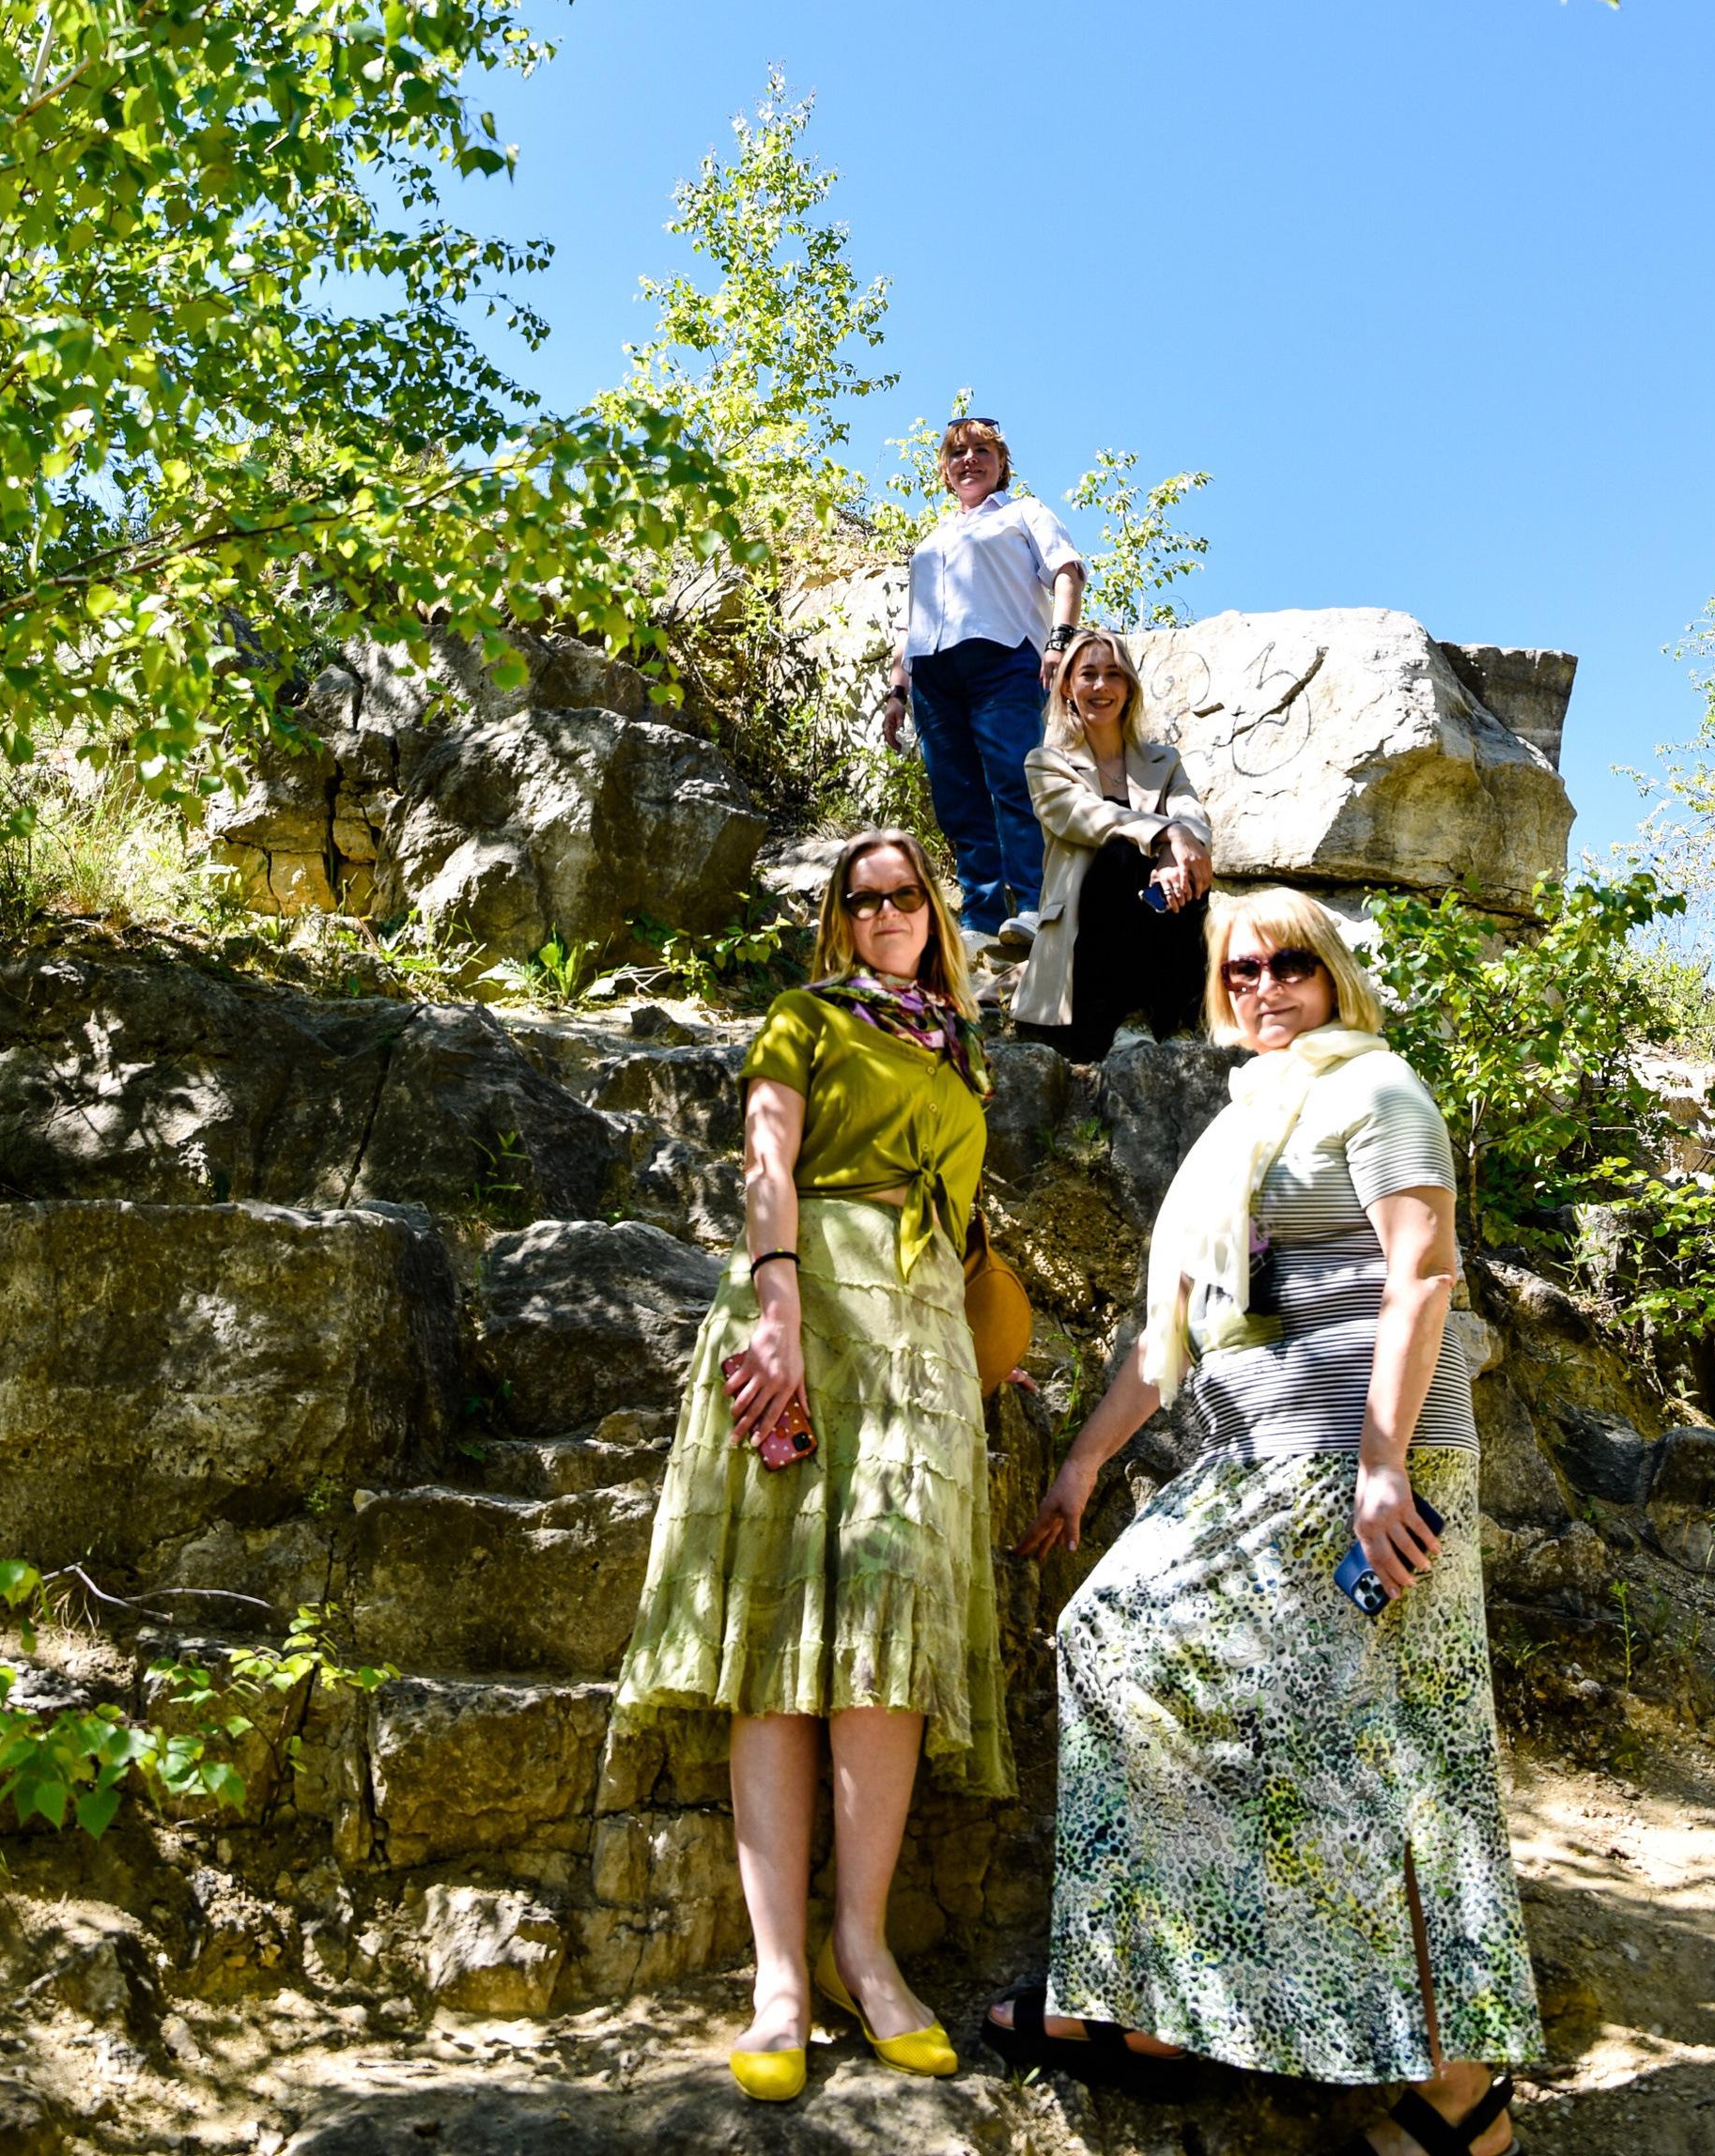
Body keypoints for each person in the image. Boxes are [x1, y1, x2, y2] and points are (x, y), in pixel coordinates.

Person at [988, 885, 1539, 2150]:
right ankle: (1172, 1992)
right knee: (1125, 1638)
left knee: (1410, 1751)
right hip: (1262, 1462)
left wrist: (1384, 1470)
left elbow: (1424, 1278)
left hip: (1363, 1469)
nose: (1264, 985)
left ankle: (1458, 2090)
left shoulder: (1379, 1091)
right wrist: (1080, 1467)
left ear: (1334, 973)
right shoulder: (1246, 1122)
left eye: (1290, 962)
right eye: (1239, 970)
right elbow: (1171, 1329)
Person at [610, 827, 1012, 2104]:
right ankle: (780, 1976)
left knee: (886, 1637)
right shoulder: (804, 1016)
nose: (885, 908)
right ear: (840, 915)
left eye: (905, 893)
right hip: (809, 1311)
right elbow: (769, 1160)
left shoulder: (959, 1048)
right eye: (863, 894)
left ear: (933, 914)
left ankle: (864, 1947)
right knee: (780, 1643)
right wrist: (775, 1307)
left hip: (922, 1339)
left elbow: (963, 1225)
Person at [881, 412, 1084, 960]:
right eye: (957, 453)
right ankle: (981, 913)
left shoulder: (1023, 512)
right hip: (933, 675)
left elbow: (1067, 571)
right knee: (958, 797)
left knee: (1014, 781)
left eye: (980, 451)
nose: (968, 459)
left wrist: (1060, 640)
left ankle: (1033, 906)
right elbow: (912, 621)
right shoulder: (934, 536)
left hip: (1002, 659)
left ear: (1001, 466)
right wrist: (898, 690)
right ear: (945, 472)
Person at [1012, 629, 1214, 1061]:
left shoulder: (1165, 761)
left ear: (1128, 688)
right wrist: (1165, 834)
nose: (1101, 686)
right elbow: (1089, 818)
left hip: (1159, 935)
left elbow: (1192, 816)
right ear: (1068, 686)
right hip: (1085, 975)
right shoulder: (1045, 763)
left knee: (1189, 864)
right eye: (1088, 675)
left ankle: (1174, 1015)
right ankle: (1128, 1016)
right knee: (1121, 855)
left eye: (1113, 674)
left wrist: (1171, 850)